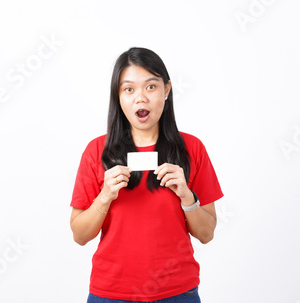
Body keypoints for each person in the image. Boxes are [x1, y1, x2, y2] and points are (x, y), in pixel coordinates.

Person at [70, 47, 224, 302]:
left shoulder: (192, 148)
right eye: (129, 89)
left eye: (150, 87)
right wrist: (105, 196)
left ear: (167, 90)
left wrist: (187, 196)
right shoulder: (96, 151)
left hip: (178, 292)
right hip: (111, 292)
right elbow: (80, 236)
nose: (140, 98)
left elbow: (206, 234)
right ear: (118, 96)